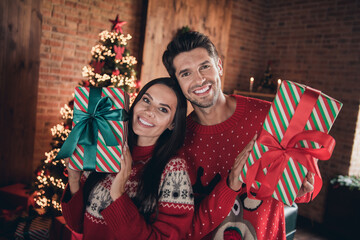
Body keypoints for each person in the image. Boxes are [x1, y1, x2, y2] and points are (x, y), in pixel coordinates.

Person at [162, 31, 314, 240]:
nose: (199, 79)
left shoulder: (271, 116)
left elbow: (307, 188)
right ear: (177, 82)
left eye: (205, 66)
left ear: (220, 67)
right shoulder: (176, 139)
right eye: (185, 73)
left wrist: (302, 189)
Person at [61, 78, 194, 240]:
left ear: (172, 124)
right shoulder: (104, 147)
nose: (149, 111)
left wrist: (118, 193)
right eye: (146, 100)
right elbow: (76, 225)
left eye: (163, 109)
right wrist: (74, 179)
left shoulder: (174, 169)